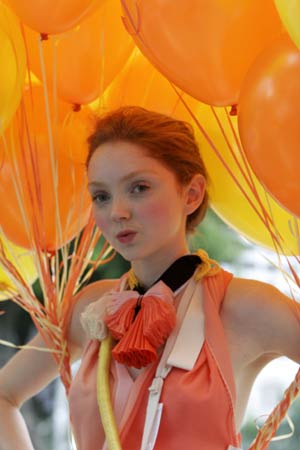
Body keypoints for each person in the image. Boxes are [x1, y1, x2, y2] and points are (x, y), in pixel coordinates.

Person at [0, 106, 299, 450]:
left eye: (139, 188)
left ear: (192, 193)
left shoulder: (243, 306)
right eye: (101, 196)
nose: (117, 212)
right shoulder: (91, 304)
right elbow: (4, 396)